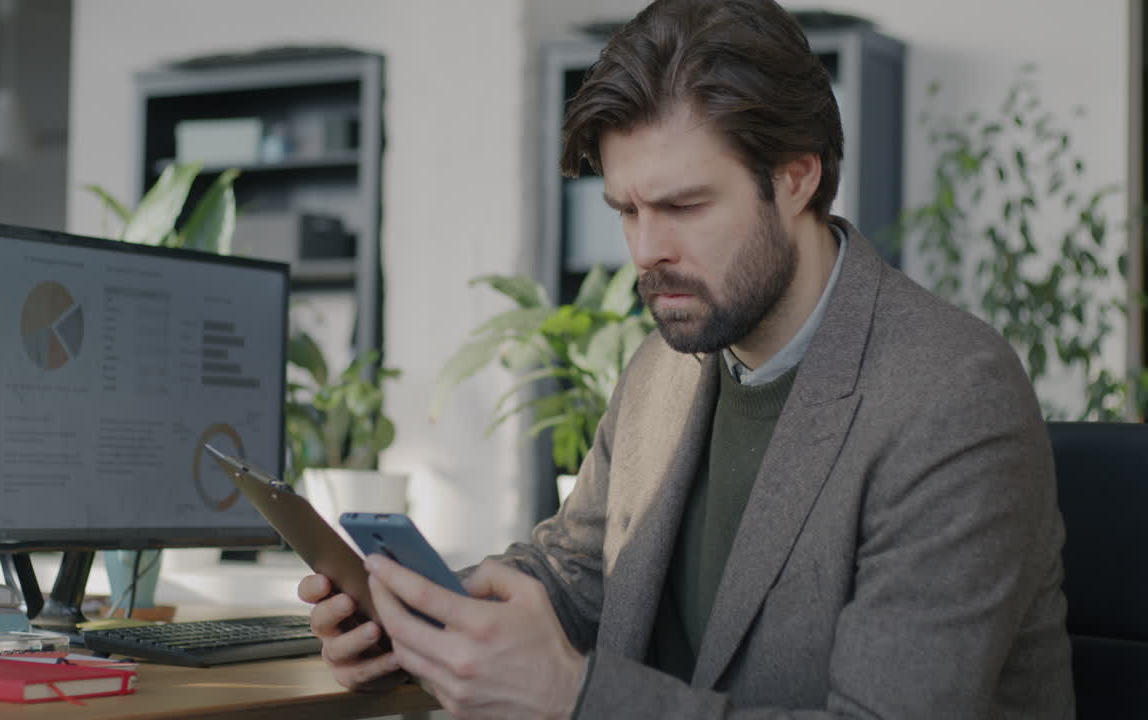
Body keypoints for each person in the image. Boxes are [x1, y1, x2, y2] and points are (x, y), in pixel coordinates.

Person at [298, 0, 1075, 717]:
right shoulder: (664, 368)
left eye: (684, 206)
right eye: (627, 211)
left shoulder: (950, 394)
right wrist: (427, 617)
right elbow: (576, 573)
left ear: (797, 177)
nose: (647, 251)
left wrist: (572, 692)